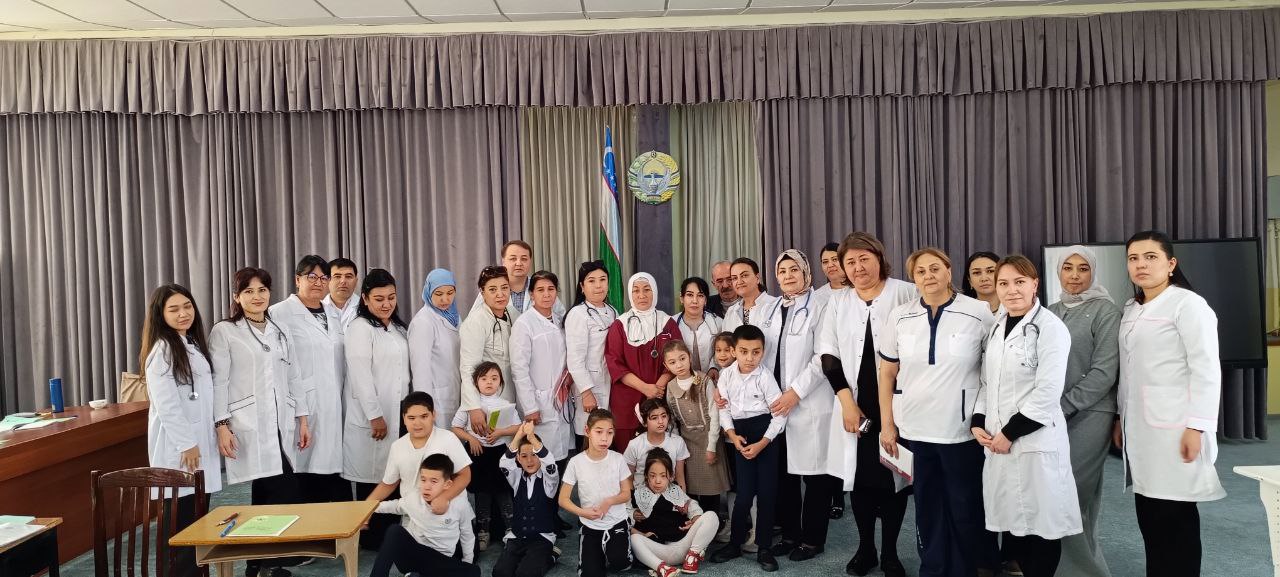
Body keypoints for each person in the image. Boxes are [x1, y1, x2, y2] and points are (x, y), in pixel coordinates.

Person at [878, 247, 996, 577]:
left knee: (964, 505)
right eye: (920, 271)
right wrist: (888, 424)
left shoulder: (978, 312)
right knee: (927, 506)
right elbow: (886, 373)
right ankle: (933, 567)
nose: (928, 275)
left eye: (934, 268)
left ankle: (966, 569)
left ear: (948, 271)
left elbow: (992, 372)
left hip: (961, 430)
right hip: (914, 429)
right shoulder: (900, 316)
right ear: (913, 279)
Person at [1116, 230, 1226, 577]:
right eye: (1134, 258)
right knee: (1150, 517)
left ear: (1171, 263)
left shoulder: (1188, 304)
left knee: (1175, 520)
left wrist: (1197, 426)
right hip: (1140, 428)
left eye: (1151, 257)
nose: (1141, 264)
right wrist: (1120, 418)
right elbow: (1129, 370)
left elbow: (1206, 368)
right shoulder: (1132, 308)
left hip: (1176, 427)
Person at [971, 255, 1082, 577]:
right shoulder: (997, 327)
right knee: (1016, 522)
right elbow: (987, 382)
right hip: (999, 441)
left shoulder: (1051, 328)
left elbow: (1048, 391)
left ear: (1035, 284)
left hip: (1034, 440)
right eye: (1004, 283)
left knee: (1043, 526)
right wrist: (978, 421)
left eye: (1019, 282)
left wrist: (1009, 433)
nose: (1011, 290)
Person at [816, 232, 917, 577]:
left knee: (893, 479)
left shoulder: (906, 292)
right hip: (854, 404)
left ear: (879, 258)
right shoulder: (839, 301)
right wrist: (846, 403)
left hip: (897, 405)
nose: (858, 267)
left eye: (864, 259)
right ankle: (866, 549)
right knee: (859, 480)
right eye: (850, 262)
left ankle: (890, 553)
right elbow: (828, 355)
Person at [209, 267, 312, 575]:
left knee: (266, 491)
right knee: (284, 489)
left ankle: (259, 562)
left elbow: (294, 376)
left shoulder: (279, 329)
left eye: (262, 290)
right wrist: (221, 425)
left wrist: (302, 418)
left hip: (281, 422)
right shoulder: (225, 331)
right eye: (249, 291)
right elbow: (219, 381)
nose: (257, 296)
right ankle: (272, 559)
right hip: (248, 422)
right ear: (236, 297)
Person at [759, 250, 837, 563]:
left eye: (794, 269)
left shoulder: (821, 305)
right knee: (784, 476)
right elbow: (760, 353)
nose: (788, 275)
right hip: (776, 405)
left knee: (815, 476)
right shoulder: (770, 308)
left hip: (809, 402)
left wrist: (796, 392)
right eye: (782, 271)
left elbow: (823, 357)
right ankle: (791, 534)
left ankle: (813, 539)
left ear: (806, 273)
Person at [1048, 245, 1121, 577]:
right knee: (1055, 492)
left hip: (1090, 413)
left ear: (1093, 272)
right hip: (1051, 416)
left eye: (1083, 268)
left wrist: (1064, 406)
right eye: (1068, 268)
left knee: (1073, 493)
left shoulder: (1106, 311)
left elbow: (1105, 372)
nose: (1075, 275)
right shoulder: (1051, 310)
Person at [140, 284, 221, 577]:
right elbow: (166, 405)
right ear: (160, 315)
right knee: (179, 526)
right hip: (181, 450)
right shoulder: (163, 349)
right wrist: (187, 443)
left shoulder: (190, 344)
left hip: (198, 445)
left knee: (196, 520)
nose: (183, 313)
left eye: (187, 306)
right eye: (173, 309)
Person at [270, 255, 351, 503]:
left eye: (323, 278)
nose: (318, 282)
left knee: (331, 468)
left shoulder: (332, 313)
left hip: (332, 402)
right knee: (304, 469)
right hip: (301, 403)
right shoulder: (280, 312)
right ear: (297, 279)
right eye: (311, 276)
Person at [709, 324, 788, 572]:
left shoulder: (765, 377)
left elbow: (779, 415)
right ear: (734, 351)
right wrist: (732, 435)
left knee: (766, 494)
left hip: (765, 437)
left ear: (763, 351)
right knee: (743, 495)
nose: (750, 358)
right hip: (740, 436)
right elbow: (723, 408)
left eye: (756, 352)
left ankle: (764, 547)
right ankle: (735, 544)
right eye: (743, 352)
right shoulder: (726, 376)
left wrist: (763, 443)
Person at [342, 269, 412, 549]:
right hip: (374, 416)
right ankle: (371, 537)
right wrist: (374, 416)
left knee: (393, 473)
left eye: (391, 297)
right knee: (372, 477)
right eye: (379, 299)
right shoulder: (360, 328)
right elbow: (360, 376)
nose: (386, 304)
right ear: (365, 299)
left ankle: (389, 533)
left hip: (398, 412)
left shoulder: (396, 327)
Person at [369, 453, 480, 577]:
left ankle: (416, 575)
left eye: (434, 481)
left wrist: (467, 562)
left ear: (447, 484)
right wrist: (367, 507)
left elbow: (467, 535)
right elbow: (394, 506)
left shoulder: (460, 504)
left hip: (440, 561)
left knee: (473, 571)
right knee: (394, 531)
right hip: (412, 558)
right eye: (423, 480)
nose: (426, 486)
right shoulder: (414, 498)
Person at [605, 273, 681, 450]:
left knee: (660, 453)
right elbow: (615, 363)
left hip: (660, 397)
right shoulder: (619, 325)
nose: (642, 295)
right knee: (629, 453)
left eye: (647, 290)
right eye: (636, 291)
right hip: (627, 401)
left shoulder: (667, 323)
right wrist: (645, 388)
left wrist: (657, 387)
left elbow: (678, 357)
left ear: (654, 292)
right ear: (630, 294)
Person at [452, 362, 520, 551]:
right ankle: (483, 532)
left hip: (500, 454)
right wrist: (471, 439)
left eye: (494, 378)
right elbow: (455, 427)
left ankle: (510, 530)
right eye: (484, 378)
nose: (489, 382)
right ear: (476, 383)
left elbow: (518, 427)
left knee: (504, 492)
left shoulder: (505, 404)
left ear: (501, 382)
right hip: (478, 455)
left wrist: (501, 432)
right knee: (482, 494)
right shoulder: (469, 405)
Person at [560, 409, 634, 577]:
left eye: (609, 432)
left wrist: (609, 501)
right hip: (590, 525)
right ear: (587, 431)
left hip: (616, 522)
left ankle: (622, 547)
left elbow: (626, 494)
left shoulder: (618, 459)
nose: (604, 438)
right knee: (590, 573)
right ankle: (598, 551)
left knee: (620, 563)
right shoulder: (576, 462)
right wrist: (582, 512)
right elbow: (563, 499)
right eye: (599, 432)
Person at [511, 270, 575, 463]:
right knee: (540, 459)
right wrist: (530, 407)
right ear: (531, 294)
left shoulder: (560, 320)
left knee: (562, 457)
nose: (546, 294)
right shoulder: (524, 324)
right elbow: (519, 369)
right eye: (540, 290)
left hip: (561, 398)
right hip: (538, 402)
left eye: (551, 289)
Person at [661, 340, 730, 516]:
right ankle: (693, 521)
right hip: (687, 442)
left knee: (710, 487)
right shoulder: (671, 387)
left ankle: (713, 522)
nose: (679, 365)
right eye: (672, 362)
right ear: (666, 366)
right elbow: (672, 420)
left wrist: (712, 446)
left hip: (708, 438)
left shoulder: (704, 380)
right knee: (689, 485)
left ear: (690, 357)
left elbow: (715, 414)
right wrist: (676, 447)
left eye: (682, 359)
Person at [630, 448, 722, 577]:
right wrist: (634, 516)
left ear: (671, 476)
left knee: (711, 516)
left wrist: (695, 518)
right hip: (658, 550)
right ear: (646, 476)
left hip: (684, 546)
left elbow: (693, 506)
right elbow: (624, 518)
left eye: (663, 475)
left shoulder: (676, 491)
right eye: (652, 475)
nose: (657, 481)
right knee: (634, 539)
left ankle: (693, 556)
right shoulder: (638, 494)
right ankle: (661, 568)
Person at [494, 423, 561, 577]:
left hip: (541, 538)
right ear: (518, 458)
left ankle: (550, 557)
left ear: (540, 456)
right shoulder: (517, 477)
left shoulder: (549, 480)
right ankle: (537, 558)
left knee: (525, 574)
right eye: (524, 456)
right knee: (500, 573)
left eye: (534, 455)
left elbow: (550, 463)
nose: (529, 460)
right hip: (518, 536)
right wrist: (519, 435)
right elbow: (504, 463)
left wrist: (531, 437)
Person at [460, 265, 518, 438]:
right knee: (491, 442)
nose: (500, 294)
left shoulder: (513, 313)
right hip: (487, 400)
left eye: (504, 288)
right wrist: (474, 408)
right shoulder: (476, 322)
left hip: (511, 393)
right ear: (482, 292)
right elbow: (468, 368)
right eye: (492, 289)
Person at [565, 261, 618, 441]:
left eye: (603, 280)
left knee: (606, 436)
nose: (598, 285)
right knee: (590, 437)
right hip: (590, 388)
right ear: (582, 286)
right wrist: (586, 393)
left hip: (610, 383)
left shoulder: (613, 311)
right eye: (591, 281)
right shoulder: (577, 314)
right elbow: (575, 360)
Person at [409, 268, 464, 427]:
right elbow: (420, 371)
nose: (445, 299)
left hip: (455, 394)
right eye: (438, 294)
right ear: (428, 292)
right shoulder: (423, 322)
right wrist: (424, 408)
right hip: (436, 401)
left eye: (450, 293)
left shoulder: (454, 316)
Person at [472, 240, 568, 318]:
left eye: (524, 259)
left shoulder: (541, 287)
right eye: (513, 259)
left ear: (530, 261)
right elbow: (473, 321)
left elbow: (561, 319)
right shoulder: (490, 290)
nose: (519, 263)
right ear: (503, 262)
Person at [623, 398, 690, 490]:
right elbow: (628, 479)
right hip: (641, 494)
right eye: (654, 418)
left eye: (663, 416)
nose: (660, 421)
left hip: (669, 494)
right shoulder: (635, 445)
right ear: (645, 422)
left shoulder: (677, 442)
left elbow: (680, 477)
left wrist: (681, 497)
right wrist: (632, 498)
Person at [676, 277, 724, 377]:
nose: (695, 301)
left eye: (700, 295)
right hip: (681, 380)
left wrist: (714, 367)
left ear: (705, 300)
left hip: (711, 378)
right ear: (682, 298)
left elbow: (723, 349)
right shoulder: (671, 324)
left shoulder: (718, 322)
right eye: (690, 295)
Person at [722, 258, 778, 341]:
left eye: (744, 275)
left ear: (757, 278)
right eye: (734, 278)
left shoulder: (775, 306)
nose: (739, 281)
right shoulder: (731, 312)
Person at [323, 257, 360, 329]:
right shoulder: (317, 307)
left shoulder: (366, 308)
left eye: (348, 276)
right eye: (337, 276)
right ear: (327, 280)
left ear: (356, 281)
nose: (343, 281)